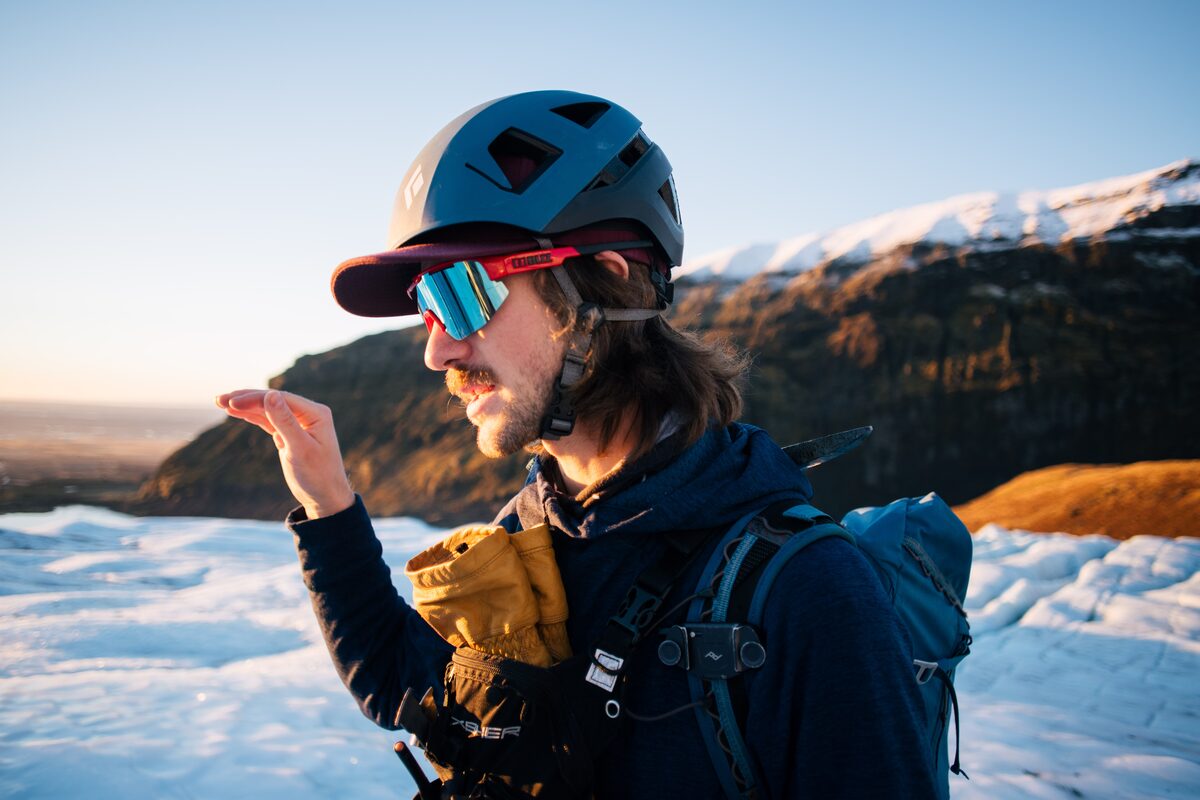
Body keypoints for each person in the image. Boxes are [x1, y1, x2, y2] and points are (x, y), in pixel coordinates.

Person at [217, 90, 936, 798]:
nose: (438, 350)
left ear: (606, 288)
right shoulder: (531, 528)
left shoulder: (805, 592)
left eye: (464, 291)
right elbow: (409, 686)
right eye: (426, 307)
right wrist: (329, 506)